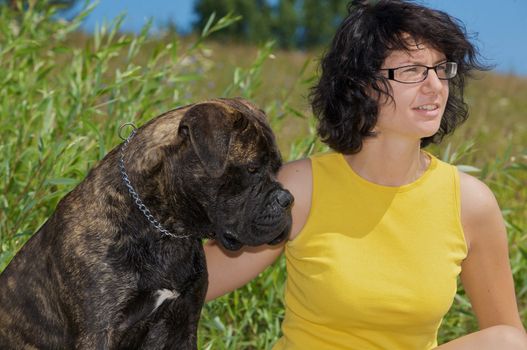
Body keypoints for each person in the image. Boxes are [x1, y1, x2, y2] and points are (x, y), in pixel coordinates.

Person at [204, 0, 527, 349]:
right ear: (361, 85)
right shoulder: (300, 188)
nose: (435, 86)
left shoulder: (471, 204)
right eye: (411, 70)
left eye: (440, 68)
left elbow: (505, 337)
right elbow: (195, 282)